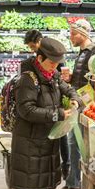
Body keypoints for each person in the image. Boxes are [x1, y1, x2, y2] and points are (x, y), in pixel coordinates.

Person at [11, 38, 83, 189]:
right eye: (51, 63)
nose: (54, 67)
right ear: (39, 58)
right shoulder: (27, 79)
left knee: (45, 182)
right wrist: (57, 114)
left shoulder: (53, 75)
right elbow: (26, 110)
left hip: (49, 137)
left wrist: (75, 100)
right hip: (29, 140)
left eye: (57, 63)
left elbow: (69, 89)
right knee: (26, 185)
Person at [56, 19, 95, 189]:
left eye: (73, 33)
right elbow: (86, 79)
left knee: (75, 143)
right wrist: (73, 78)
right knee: (74, 142)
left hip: (88, 105)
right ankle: (75, 180)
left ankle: (74, 182)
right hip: (82, 102)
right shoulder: (83, 52)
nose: (70, 36)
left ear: (83, 34)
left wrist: (79, 102)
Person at [23, 30, 70, 180]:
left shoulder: (53, 59)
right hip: (46, 113)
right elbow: (27, 109)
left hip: (54, 104)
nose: (32, 50)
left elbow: (63, 83)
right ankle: (62, 168)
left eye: (32, 46)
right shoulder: (29, 70)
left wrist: (74, 99)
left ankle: (65, 167)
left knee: (60, 137)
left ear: (39, 41)